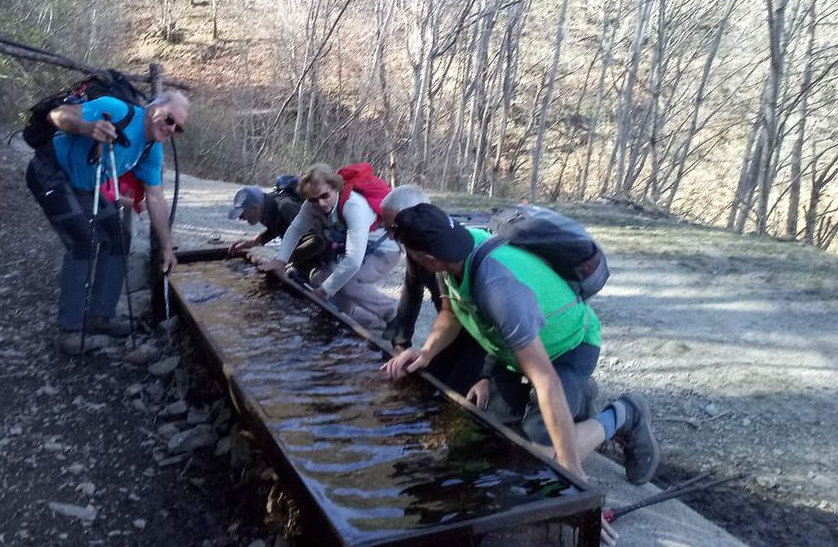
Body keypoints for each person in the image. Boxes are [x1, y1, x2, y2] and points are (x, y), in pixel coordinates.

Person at [382, 203, 658, 490]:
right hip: (514, 350)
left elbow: (546, 381)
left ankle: (625, 414)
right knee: (490, 439)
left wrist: (574, 476)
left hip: (568, 347)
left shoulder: (498, 288)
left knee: (538, 461)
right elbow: (452, 313)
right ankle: (578, 397)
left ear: (427, 258)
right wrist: (426, 353)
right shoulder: (451, 252)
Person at [26, 89, 189, 355]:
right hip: (50, 171)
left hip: (86, 186)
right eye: (170, 119)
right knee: (84, 241)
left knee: (119, 237)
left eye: (178, 128)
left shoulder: (152, 150)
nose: (172, 129)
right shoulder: (116, 110)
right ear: (152, 110)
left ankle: (100, 316)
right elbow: (58, 115)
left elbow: (155, 198)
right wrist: (87, 127)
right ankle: (70, 330)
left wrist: (168, 248)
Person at [258, 163, 399, 329]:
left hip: (384, 251)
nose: (321, 203)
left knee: (346, 284)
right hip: (363, 249)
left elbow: (353, 261)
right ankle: (369, 322)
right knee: (319, 278)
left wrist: (324, 291)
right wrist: (280, 260)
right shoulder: (311, 206)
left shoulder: (353, 206)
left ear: (335, 188)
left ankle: (393, 314)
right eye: (313, 199)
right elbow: (295, 230)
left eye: (325, 195)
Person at [379, 185, 489, 396]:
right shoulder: (414, 247)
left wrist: (487, 375)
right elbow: (412, 291)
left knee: (459, 390)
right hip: (451, 326)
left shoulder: (450, 248)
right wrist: (401, 342)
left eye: (393, 227)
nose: (391, 236)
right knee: (426, 380)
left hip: (482, 334)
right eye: (387, 229)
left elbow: (497, 323)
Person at [227, 184, 330, 280]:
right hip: (304, 255)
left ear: (255, 207)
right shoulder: (268, 208)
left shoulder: (286, 207)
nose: (241, 218)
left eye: (242, 213)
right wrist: (255, 242)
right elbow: (279, 226)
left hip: (326, 257)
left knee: (315, 284)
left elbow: (317, 241)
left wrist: (282, 261)